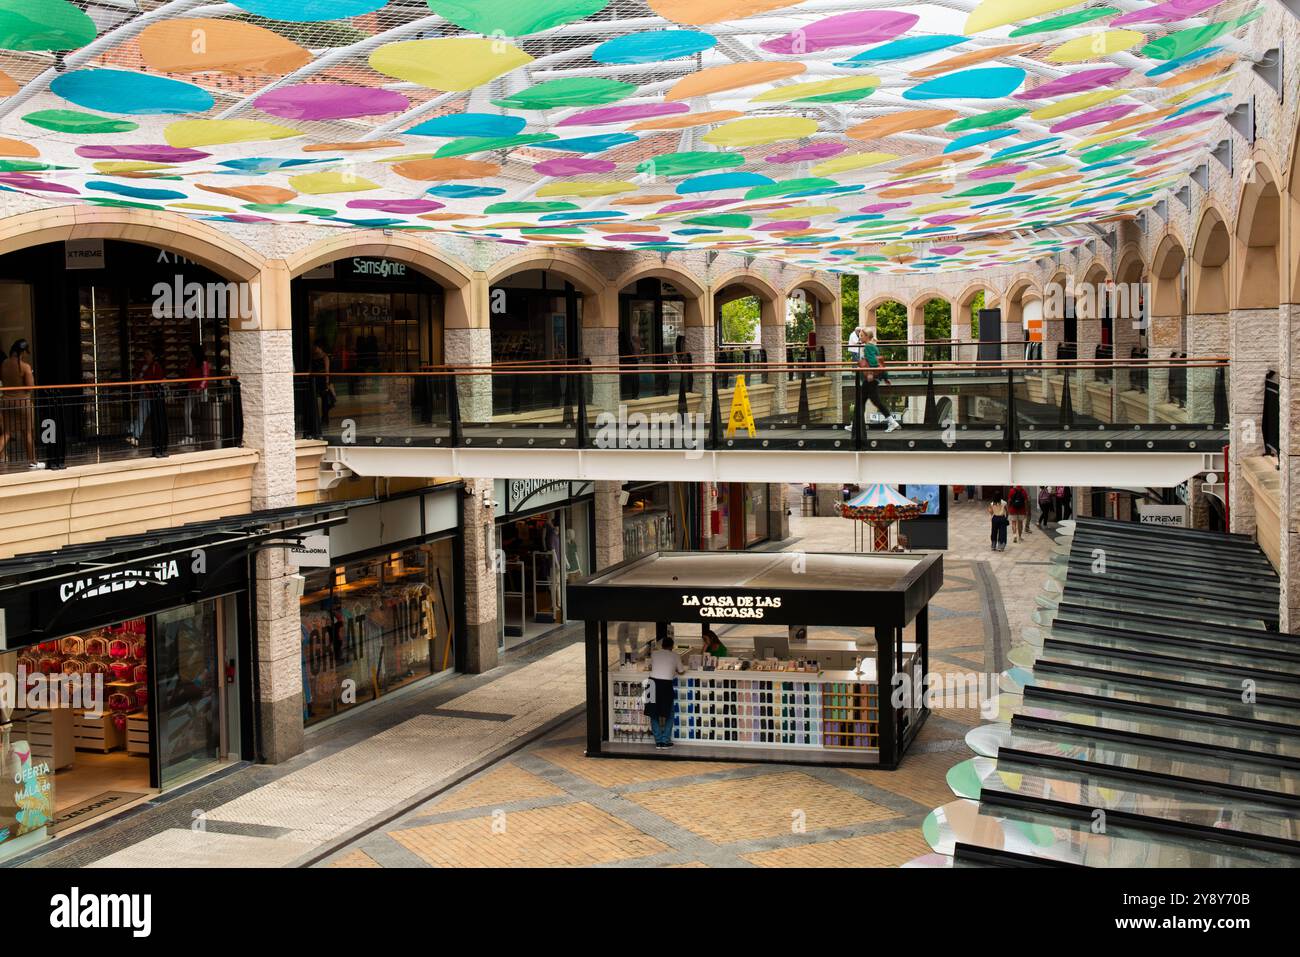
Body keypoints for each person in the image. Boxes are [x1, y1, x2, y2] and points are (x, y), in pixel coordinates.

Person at [1, 339, 37, 466]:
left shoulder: (4, 363)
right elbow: (30, 387)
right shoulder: (25, 366)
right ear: (22, 352)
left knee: (6, 433)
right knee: (27, 432)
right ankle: (32, 461)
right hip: (22, 403)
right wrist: (30, 374)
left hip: (6, 402)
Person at [645, 635, 685, 749]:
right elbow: (681, 671)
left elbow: (653, 666)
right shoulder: (675, 655)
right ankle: (665, 740)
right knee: (670, 714)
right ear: (672, 646)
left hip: (652, 683)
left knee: (653, 713)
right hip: (666, 685)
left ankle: (658, 741)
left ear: (662, 645)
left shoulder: (654, 653)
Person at [858, 328, 901, 432]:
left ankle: (893, 422)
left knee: (873, 402)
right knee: (862, 401)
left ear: (867, 337)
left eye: (862, 336)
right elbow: (881, 363)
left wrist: (870, 373)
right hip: (873, 378)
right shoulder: (874, 346)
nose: (860, 337)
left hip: (870, 379)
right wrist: (885, 377)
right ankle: (856, 424)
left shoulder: (868, 347)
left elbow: (874, 362)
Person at [126, 344, 165, 447]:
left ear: (153, 355)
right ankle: (135, 437)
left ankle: (158, 439)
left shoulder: (156, 366)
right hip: (143, 394)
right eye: (145, 354)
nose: (146, 356)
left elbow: (158, 380)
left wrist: (145, 381)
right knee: (141, 416)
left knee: (155, 418)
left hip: (152, 395)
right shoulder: (143, 365)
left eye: (148, 354)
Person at [183, 342, 211, 445]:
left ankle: (204, 435)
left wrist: (201, 387)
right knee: (186, 412)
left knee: (203, 413)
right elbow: (187, 375)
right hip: (191, 390)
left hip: (200, 391)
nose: (188, 353)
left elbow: (206, 376)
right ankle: (189, 435)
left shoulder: (203, 362)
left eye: (189, 351)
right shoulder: (191, 361)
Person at [311, 340, 334, 429]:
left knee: (325, 401)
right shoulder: (313, 357)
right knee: (314, 400)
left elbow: (327, 370)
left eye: (315, 347)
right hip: (315, 380)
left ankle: (325, 419)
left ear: (320, 348)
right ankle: (316, 419)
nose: (314, 349)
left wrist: (327, 382)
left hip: (322, 380)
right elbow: (310, 368)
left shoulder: (325, 357)